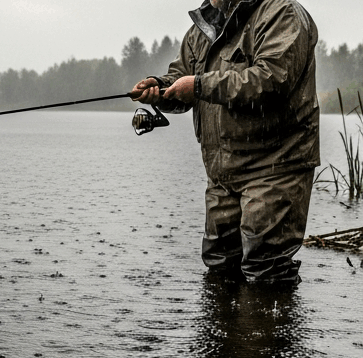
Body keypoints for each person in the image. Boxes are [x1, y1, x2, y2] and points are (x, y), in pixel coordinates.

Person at [131, 0, 320, 285]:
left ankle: (274, 330)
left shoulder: (282, 13)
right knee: (220, 265)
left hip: (276, 165)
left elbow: (271, 80)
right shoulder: (203, 27)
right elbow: (182, 78)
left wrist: (198, 85)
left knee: (266, 270)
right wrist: (159, 89)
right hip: (222, 172)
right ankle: (222, 330)